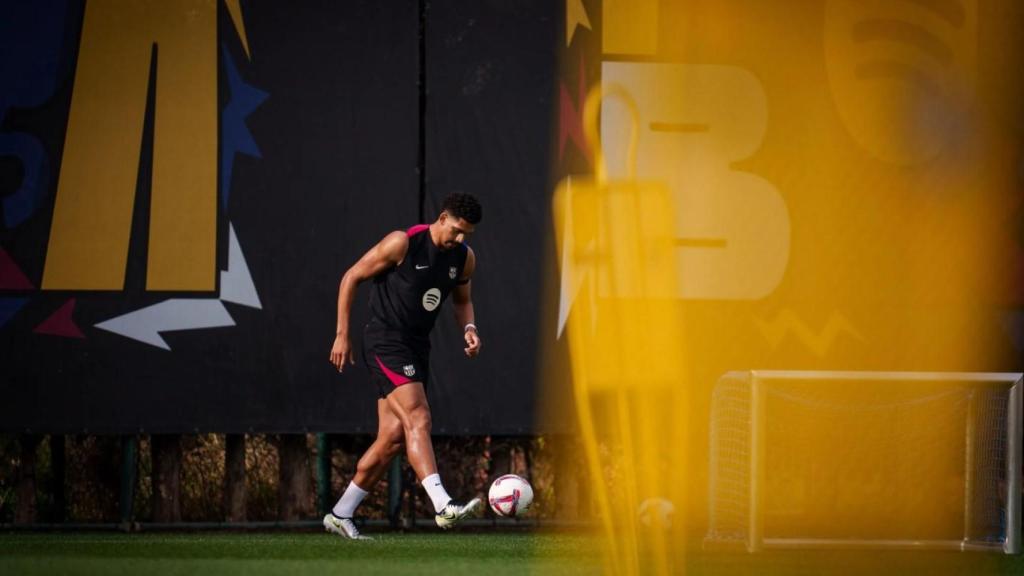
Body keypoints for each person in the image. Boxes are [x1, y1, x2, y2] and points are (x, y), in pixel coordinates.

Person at [324, 192, 484, 540]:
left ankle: (341, 512)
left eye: (466, 234)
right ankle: (443, 506)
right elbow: (351, 276)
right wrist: (341, 334)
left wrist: (469, 328)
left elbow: (463, 300)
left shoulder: (464, 258)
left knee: (393, 438)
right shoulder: (402, 243)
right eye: (456, 230)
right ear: (442, 217)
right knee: (419, 417)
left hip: (416, 347)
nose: (459, 238)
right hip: (385, 340)